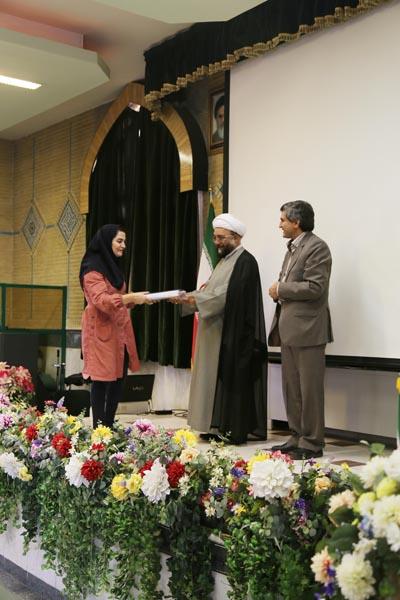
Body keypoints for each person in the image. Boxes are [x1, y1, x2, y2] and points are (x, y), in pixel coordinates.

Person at [173, 213, 268, 444]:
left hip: (232, 335)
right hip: (215, 332)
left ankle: (230, 429)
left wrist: (193, 300)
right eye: (215, 237)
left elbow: (225, 296)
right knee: (211, 380)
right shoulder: (224, 261)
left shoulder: (245, 262)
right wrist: (189, 297)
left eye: (220, 238)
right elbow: (210, 292)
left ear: (236, 237)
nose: (216, 242)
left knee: (230, 383)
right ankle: (213, 425)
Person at [268, 201, 333, 459]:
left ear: (296, 222)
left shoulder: (317, 247)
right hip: (289, 329)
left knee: (309, 390)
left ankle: (312, 443)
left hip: (309, 330)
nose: (279, 225)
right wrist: (279, 290)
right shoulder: (292, 249)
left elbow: (315, 287)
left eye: (283, 220)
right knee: (292, 388)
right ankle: (296, 436)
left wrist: (280, 289)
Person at [79, 224, 152, 428]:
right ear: (106, 242)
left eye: (124, 241)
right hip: (100, 331)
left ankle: (109, 425)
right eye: (119, 241)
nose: (123, 246)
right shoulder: (92, 269)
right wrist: (130, 298)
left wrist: (135, 300)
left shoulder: (112, 266)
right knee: (102, 380)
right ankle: (99, 430)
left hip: (120, 330)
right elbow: (102, 300)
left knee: (119, 377)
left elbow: (117, 298)